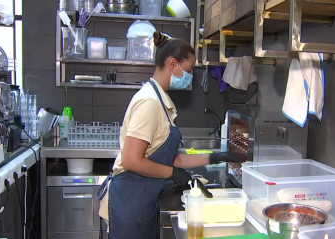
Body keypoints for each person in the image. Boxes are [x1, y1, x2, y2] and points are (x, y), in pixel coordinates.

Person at [97, 31, 243, 239]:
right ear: (173, 64)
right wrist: (172, 174)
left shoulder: (160, 100)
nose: (190, 77)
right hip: (129, 201)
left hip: (140, 200)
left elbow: (169, 158)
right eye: (189, 70)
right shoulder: (149, 103)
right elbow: (131, 160)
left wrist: (213, 157)